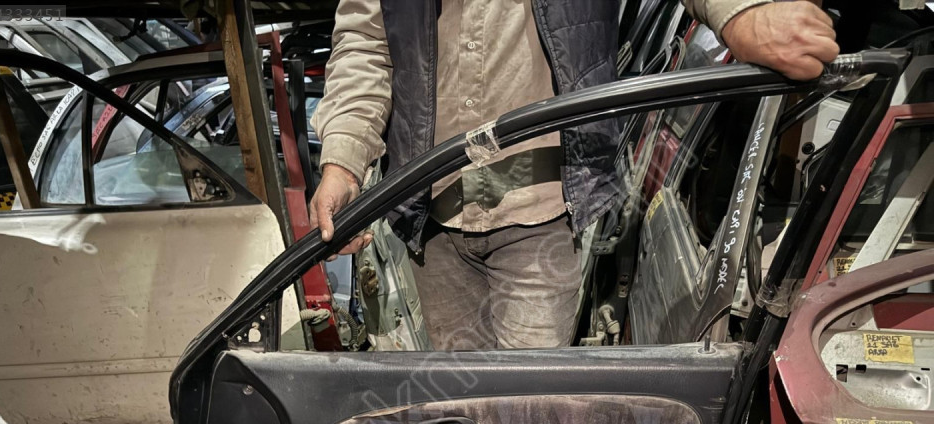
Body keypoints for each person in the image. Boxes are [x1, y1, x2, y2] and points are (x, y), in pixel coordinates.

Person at [310, 0, 840, 350]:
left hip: (539, 214)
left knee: (529, 409)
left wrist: (741, 14)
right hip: (433, 215)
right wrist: (343, 161)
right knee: (461, 403)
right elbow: (366, 45)